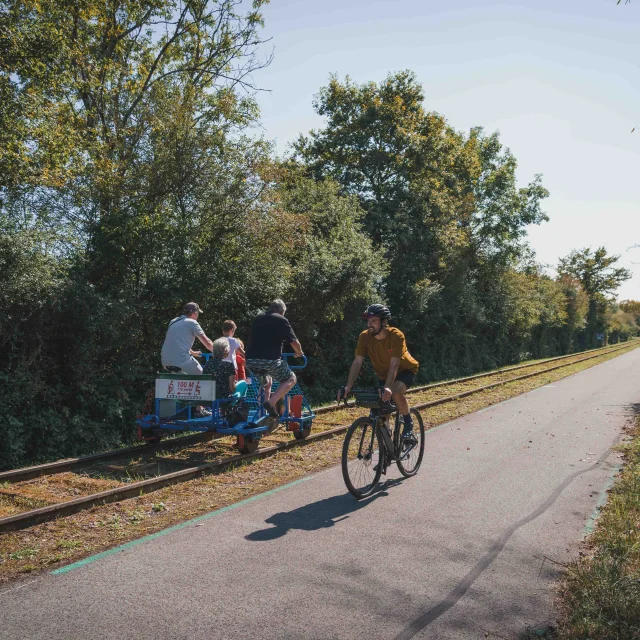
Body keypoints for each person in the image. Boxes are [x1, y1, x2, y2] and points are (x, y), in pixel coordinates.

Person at [340, 304, 419, 440]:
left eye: (374, 321)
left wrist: (388, 387)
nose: (370, 325)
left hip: (404, 370)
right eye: (368, 321)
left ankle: (408, 423)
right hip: (384, 374)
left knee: (395, 391)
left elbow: (394, 365)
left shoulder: (396, 335)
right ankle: (387, 441)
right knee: (380, 410)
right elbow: (357, 362)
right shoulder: (364, 337)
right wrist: (348, 386)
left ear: (384, 322)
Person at [245, 299, 304, 418]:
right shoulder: (281, 319)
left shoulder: (258, 318)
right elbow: (294, 342)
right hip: (270, 361)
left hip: (251, 361)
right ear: (281, 311)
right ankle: (271, 403)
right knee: (290, 378)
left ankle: (263, 414)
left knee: (266, 384)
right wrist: (299, 352)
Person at [160, 302, 214, 374]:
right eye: (198, 313)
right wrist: (219, 353)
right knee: (201, 375)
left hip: (165, 361)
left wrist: (193, 352)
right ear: (195, 313)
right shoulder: (192, 322)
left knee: (183, 379)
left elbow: (178, 342)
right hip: (181, 360)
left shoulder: (173, 321)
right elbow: (207, 343)